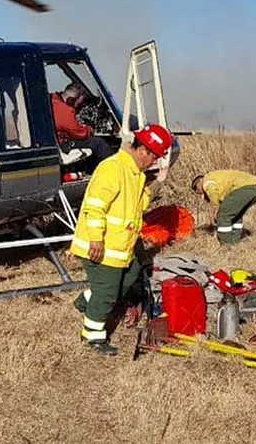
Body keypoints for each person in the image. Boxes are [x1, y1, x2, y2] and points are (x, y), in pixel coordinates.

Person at [69, 124, 173, 356]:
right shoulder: (113, 168)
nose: (154, 162)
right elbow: (95, 207)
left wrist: (155, 183)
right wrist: (96, 240)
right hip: (101, 245)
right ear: (143, 150)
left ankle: (86, 301)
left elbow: (139, 204)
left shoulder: (135, 173)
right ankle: (93, 335)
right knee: (107, 292)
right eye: (154, 157)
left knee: (130, 275)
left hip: (121, 245)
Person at [190, 170, 256, 244]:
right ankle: (235, 241)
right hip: (255, 187)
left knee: (223, 214)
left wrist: (216, 208)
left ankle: (226, 244)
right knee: (236, 215)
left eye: (197, 189)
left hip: (243, 188)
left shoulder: (206, 180)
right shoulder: (217, 179)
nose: (199, 192)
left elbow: (211, 191)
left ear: (200, 181)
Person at [50, 82, 112, 164]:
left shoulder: (52, 99)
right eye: (80, 103)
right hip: (62, 144)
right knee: (98, 143)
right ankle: (112, 170)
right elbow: (79, 134)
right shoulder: (64, 110)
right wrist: (89, 129)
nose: (80, 106)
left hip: (54, 142)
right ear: (71, 100)